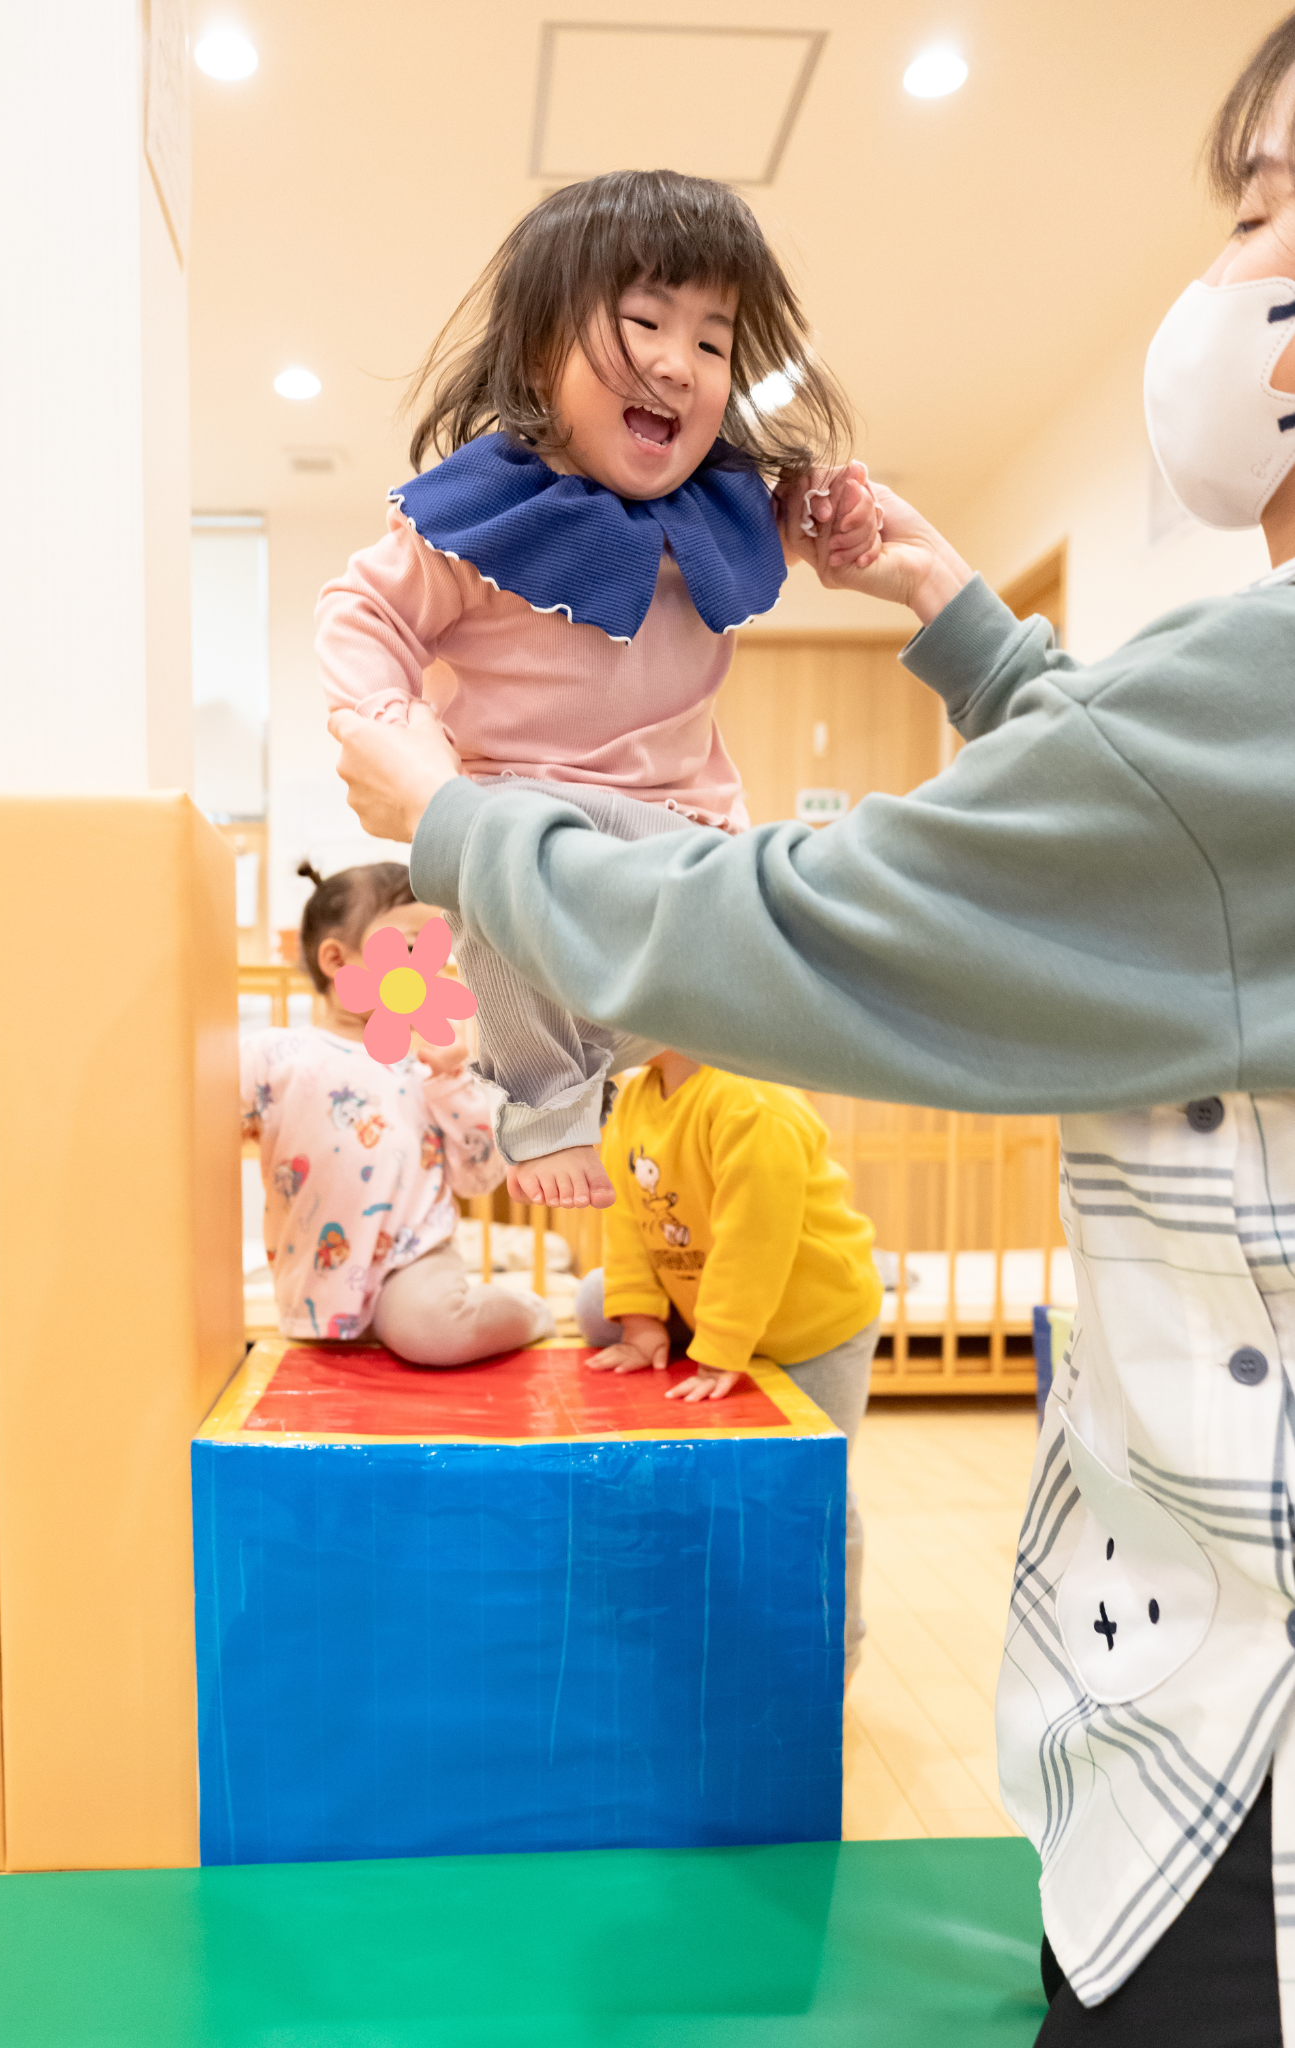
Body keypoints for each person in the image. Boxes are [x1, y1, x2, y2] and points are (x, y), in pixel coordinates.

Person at [325, 21, 1295, 2042]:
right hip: (1165, 1676)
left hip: (1231, 1735)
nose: (1232, 267)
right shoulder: (1225, 709)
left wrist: (449, 815)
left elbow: (791, 928)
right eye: (1247, 209)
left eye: (1272, 214)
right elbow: (1137, 810)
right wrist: (948, 606)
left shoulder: (1249, 700)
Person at [315, 168, 881, 1214]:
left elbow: (795, 530)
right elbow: (362, 611)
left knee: (778, 900)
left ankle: (666, 1034)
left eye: (711, 342)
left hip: (683, 830)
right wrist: (396, 733)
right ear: (541, 349)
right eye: (644, 323)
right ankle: (541, 1103)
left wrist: (826, 526)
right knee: (494, 864)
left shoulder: (719, 509)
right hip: (528, 824)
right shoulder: (486, 515)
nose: (677, 363)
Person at [576, 1046, 882, 1680]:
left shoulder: (752, 1100)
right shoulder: (636, 1098)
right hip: (712, 1298)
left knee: (816, 1484)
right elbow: (627, 1218)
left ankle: (837, 1656)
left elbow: (755, 1242)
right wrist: (640, 1323)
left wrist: (719, 1351)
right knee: (595, 1298)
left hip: (811, 1326)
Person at [241, 859, 553, 1361]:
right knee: (322, 1345)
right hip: (318, 1265)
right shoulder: (273, 1056)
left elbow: (479, 1176)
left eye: (435, 955)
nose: (428, 969)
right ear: (336, 960)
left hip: (413, 1255)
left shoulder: (428, 1065)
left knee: (431, 1331)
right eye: (410, 949)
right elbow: (202, 1123)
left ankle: (528, 1311)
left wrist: (453, 1083)